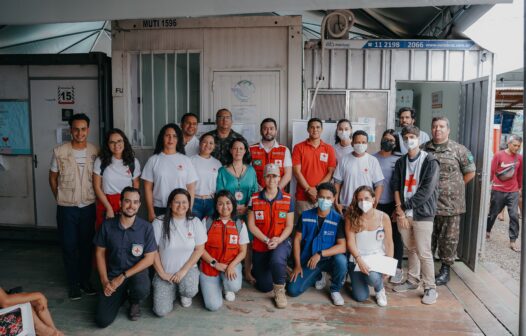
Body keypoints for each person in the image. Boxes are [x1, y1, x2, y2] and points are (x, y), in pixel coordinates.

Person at [48, 113, 98, 300]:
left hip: (88, 206)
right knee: (69, 246)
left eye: (83, 129)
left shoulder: (95, 151)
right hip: (66, 208)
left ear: (88, 130)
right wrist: (59, 197)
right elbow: (52, 177)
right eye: (76, 129)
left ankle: (85, 281)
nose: (80, 133)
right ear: (71, 131)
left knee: (86, 246)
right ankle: (73, 284)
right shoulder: (59, 151)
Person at [93, 187, 157, 327]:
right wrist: (105, 281)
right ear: (120, 202)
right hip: (113, 274)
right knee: (102, 321)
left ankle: (134, 301)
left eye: (135, 202)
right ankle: (121, 295)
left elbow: (150, 259)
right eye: (127, 201)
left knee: (142, 288)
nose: (131, 206)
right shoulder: (107, 226)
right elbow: (99, 253)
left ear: (139, 205)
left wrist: (122, 276)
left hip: (136, 273)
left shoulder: (146, 227)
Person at [424, 116, 476, 286]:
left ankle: (445, 270)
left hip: (451, 206)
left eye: (441, 126)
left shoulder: (459, 150)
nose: (437, 129)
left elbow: (470, 172)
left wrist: (454, 187)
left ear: (448, 130)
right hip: (428, 205)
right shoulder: (424, 149)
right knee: (427, 238)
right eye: (434, 126)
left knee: (449, 239)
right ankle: (427, 269)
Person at [392, 125, 440, 305]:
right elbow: (395, 186)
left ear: (419, 138)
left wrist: (403, 207)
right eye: (405, 137)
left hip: (422, 213)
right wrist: (399, 209)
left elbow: (426, 191)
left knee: (423, 251)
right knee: (410, 248)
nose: (409, 140)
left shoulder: (430, 161)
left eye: (412, 136)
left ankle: (430, 287)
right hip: (403, 213)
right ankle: (412, 280)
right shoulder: (400, 162)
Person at [287, 182, 347, 306]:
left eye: (328, 198)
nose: (324, 200)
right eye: (321, 197)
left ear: (334, 199)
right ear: (316, 197)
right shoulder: (305, 216)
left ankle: (335, 290)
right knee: (292, 290)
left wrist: (321, 254)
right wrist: (297, 266)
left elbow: (342, 246)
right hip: (310, 261)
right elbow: (297, 240)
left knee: (341, 261)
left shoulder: (338, 219)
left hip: (329, 259)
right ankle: (318, 276)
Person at [152, 189, 206, 316]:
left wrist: (183, 272)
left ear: (189, 204)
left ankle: (183, 292)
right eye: (177, 202)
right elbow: (152, 251)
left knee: (189, 290)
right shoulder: (159, 222)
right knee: (161, 311)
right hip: (165, 272)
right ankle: (172, 290)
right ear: (170, 204)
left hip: (187, 270)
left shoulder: (195, 222)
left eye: (184, 202)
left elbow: (199, 249)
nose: (181, 206)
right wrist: (162, 274)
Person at [247, 164, 294, 308]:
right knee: (264, 286)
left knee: (277, 260)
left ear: (279, 178)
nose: (271, 179)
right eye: (268, 176)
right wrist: (266, 240)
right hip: (262, 244)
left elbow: (289, 226)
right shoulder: (254, 198)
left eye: (275, 176)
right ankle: (277, 269)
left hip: (281, 241)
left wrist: (278, 239)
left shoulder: (287, 198)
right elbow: (251, 225)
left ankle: (280, 291)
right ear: (263, 178)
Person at [216, 138, 258, 283]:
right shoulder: (222, 171)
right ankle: (227, 269)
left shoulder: (251, 170)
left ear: (245, 151)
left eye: (241, 148)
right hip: (228, 212)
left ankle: (247, 272)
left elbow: (255, 191)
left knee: (247, 244)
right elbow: (220, 193)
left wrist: (248, 207)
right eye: (235, 148)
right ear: (230, 150)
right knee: (227, 241)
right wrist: (232, 208)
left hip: (247, 212)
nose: (238, 151)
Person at [199, 190, 249, 311]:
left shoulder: (239, 224)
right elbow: (199, 249)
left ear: (233, 204)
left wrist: (231, 266)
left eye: (228, 203)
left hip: (230, 265)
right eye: (220, 204)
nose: (225, 207)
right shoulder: (207, 222)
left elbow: (243, 252)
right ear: (216, 206)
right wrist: (214, 264)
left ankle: (226, 287)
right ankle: (215, 284)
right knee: (212, 306)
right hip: (210, 266)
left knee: (234, 285)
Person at [346, 186, 393, 307]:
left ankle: (379, 289)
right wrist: (359, 259)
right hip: (357, 259)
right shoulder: (351, 217)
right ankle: (360, 279)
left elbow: (389, 242)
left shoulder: (384, 217)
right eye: (360, 199)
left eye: (366, 198)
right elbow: (350, 241)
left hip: (377, 258)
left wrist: (389, 265)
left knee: (373, 278)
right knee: (360, 297)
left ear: (373, 199)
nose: (363, 202)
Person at [142, 123, 198, 221]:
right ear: (162, 138)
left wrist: (189, 209)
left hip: (181, 208)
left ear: (178, 139)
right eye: (167, 136)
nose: (171, 139)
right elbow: (147, 188)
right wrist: (151, 211)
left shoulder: (185, 160)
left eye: (174, 136)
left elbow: (191, 188)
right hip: (159, 207)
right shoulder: (153, 160)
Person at [93, 128, 141, 231]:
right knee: (105, 235)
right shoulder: (101, 160)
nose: (116, 145)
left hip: (126, 202)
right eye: (112, 142)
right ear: (107, 144)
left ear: (124, 141)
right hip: (106, 202)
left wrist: (133, 203)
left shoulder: (132, 161)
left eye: (119, 141)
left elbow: (136, 184)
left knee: (126, 233)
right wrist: (108, 208)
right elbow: (96, 186)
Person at [373, 129, 404, 284]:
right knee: (377, 237)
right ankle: (378, 267)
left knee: (395, 237)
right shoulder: (373, 158)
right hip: (375, 203)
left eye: (392, 140)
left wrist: (399, 207)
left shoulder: (399, 159)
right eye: (386, 139)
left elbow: (402, 183)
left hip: (393, 204)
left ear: (396, 143)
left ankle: (396, 269)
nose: (388, 142)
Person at [292, 118, 337, 214]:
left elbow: (331, 172)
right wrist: (308, 189)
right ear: (308, 129)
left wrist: (317, 189)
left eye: (318, 127)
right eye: (312, 127)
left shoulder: (329, 149)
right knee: (304, 226)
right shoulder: (298, 147)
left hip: (323, 197)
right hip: (303, 197)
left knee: (322, 226)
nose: (315, 129)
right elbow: (296, 171)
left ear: (322, 129)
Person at [486, 135, 523, 252]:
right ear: (509, 143)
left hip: (513, 191)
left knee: (514, 215)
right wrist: (488, 185)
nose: (516, 148)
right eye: (515, 145)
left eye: (518, 146)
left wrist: (520, 188)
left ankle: (513, 240)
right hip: (498, 189)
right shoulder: (499, 155)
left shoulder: (520, 158)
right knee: (493, 213)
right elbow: (492, 171)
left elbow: (520, 174)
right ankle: (487, 230)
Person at [333, 130, 384, 214]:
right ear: (352, 143)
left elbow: (379, 185)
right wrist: (336, 202)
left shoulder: (372, 160)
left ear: (367, 144)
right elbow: (337, 182)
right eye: (358, 142)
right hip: (346, 206)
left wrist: (374, 203)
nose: (361, 145)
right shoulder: (344, 159)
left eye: (363, 142)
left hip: (366, 206)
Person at [249, 118, 292, 189]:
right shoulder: (251, 149)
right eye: (265, 129)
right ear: (260, 131)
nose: (268, 131)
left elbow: (288, 175)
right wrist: (260, 190)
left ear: (276, 131)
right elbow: (247, 174)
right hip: (256, 193)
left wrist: (276, 191)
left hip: (278, 195)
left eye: (271, 129)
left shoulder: (284, 150)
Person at [190, 134, 222, 220]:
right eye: (205, 142)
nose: (208, 145)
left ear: (214, 146)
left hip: (211, 201)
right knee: (194, 229)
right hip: (194, 201)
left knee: (210, 230)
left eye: (211, 143)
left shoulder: (217, 163)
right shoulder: (190, 161)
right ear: (200, 144)